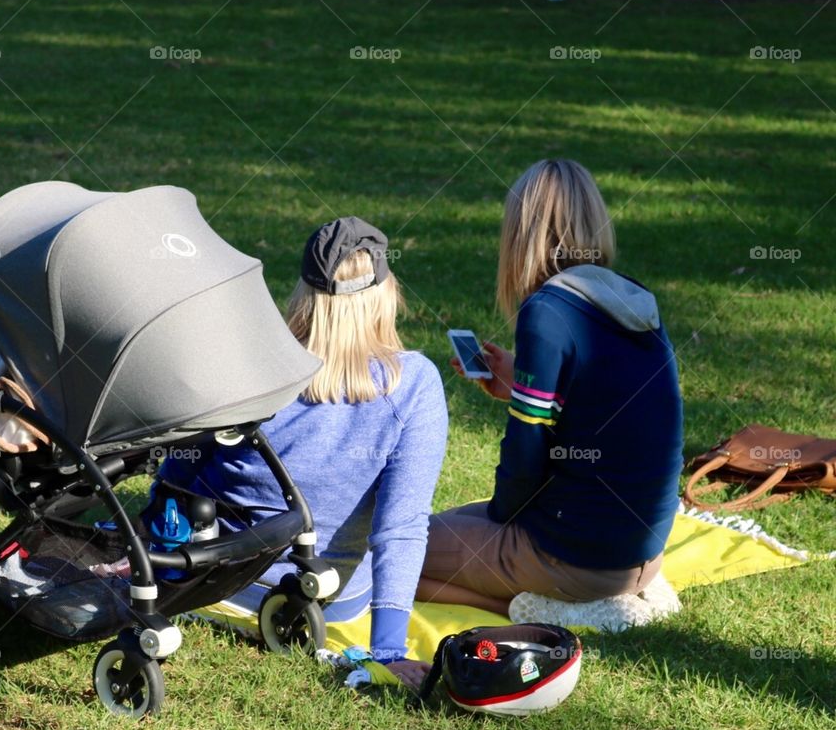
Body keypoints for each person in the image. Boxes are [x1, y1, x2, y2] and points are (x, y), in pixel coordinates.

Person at [160, 217, 447, 689]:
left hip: (216, 580)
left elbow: (177, 476)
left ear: (305, 292)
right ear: (384, 294)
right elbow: (400, 529)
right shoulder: (413, 384)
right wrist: (389, 654)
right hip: (331, 599)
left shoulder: (249, 364)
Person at [418, 159, 683, 617]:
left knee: (394, 551)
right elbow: (608, 402)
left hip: (574, 556)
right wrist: (521, 380)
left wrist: (501, 521)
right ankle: (582, 592)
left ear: (521, 234)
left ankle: (539, 607)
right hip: (642, 550)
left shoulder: (547, 312)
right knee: (447, 524)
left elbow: (525, 456)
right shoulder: (631, 298)